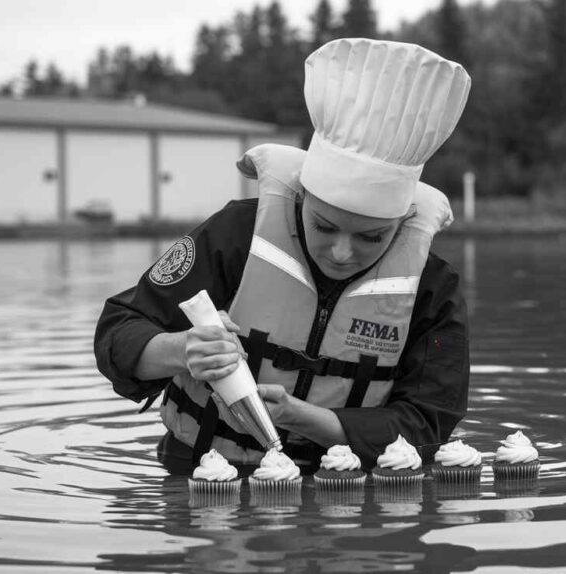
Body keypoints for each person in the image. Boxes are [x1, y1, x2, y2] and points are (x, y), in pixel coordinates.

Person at [94, 38, 471, 472]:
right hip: (202, 473)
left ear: (402, 221)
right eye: (324, 227)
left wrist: (304, 418)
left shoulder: (431, 285)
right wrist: (181, 349)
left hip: (339, 490)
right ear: (302, 196)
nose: (342, 253)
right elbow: (117, 330)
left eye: (372, 237)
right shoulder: (238, 234)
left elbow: (430, 423)